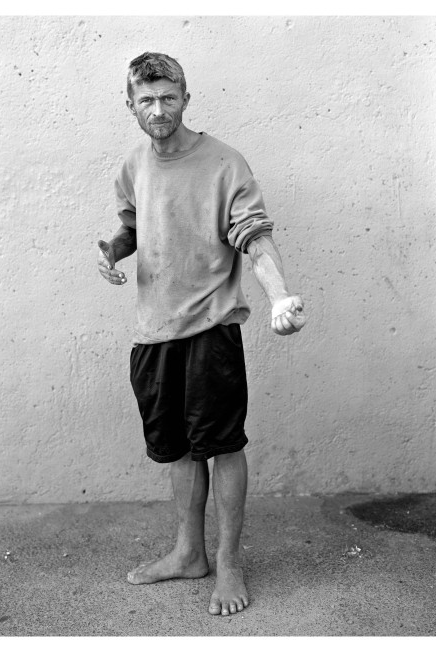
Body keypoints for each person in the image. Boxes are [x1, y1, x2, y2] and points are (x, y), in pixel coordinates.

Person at [96, 52, 305, 617]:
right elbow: (134, 226)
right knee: (177, 451)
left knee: (223, 445)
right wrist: (114, 249)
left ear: (186, 97)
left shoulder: (224, 163)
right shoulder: (134, 165)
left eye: (169, 97)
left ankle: (229, 560)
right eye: (147, 100)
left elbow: (253, 236)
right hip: (153, 332)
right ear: (131, 105)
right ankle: (189, 552)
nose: (158, 109)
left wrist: (279, 293)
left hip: (211, 330)